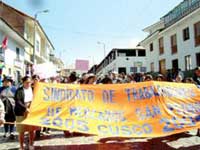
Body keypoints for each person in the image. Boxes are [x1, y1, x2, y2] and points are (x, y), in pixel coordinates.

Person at [14, 76, 35, 150]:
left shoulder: (33, 89)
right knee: (21, 130)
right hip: (21, 111)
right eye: (27, 82)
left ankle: (31, 144)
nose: (28, 84)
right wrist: (25, 108)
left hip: (31, 111)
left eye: (30, 82)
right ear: (23, 82)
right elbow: (18, 101)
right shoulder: (19, 90)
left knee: (32, 129)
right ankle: (21, 146)